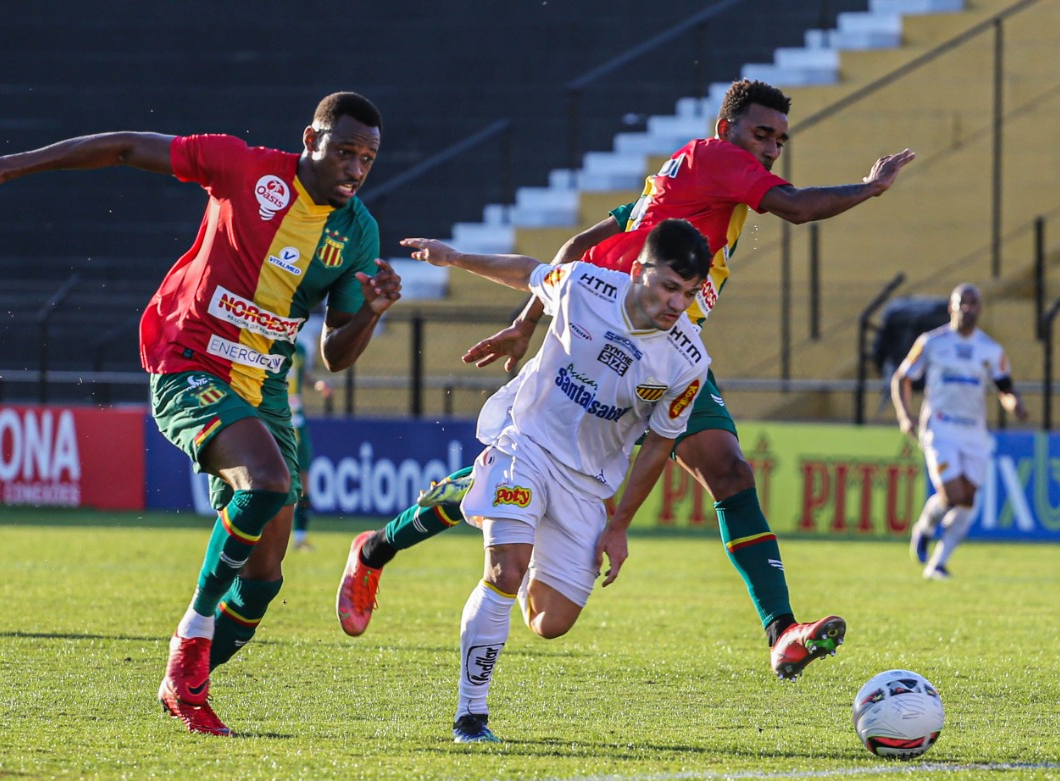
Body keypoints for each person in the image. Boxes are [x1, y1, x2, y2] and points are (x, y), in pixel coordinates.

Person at [338, 79, 914, 681]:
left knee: (729, 471)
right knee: (521, 469)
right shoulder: (716, 160)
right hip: (600, 338)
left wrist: (525, 322)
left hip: (666, 351)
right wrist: (871, 188)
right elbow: (794, 207)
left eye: (779, 141)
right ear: (727, 131)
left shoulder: (688, 184)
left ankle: (782, 632)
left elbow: (585, 241)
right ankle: (377, 548)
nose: (770, 150)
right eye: (760, 135)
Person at [0, 91, 402, 736]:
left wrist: (371, 313)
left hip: (265, 387)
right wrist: (8, 164)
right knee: (269, 485)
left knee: (267, 572)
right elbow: (127, 146)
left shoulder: (357, 232)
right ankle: (191, 636)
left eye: (368, 158)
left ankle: (186, 681)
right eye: (346, 152)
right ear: (311, 140)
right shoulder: (242, 169)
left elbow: (333, 353)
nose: (357, 168)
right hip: (189, 359)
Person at [402, 219, 714, 743]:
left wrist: (618, 525)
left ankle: (486, 500)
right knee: (504, 571)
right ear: (639, 271)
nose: (675, 303)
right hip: (526, 443)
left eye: (687, 293)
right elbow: (528, 272)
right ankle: (470, 716)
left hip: (586, 485)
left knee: (549, 623)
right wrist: (454, 258)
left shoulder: (688, 362)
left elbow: (659, 444)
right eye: (667, 286)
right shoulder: (585, 286)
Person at [891, 283, 1027, 580]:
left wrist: (1013, 404)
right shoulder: (931, 342)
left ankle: (937, 564)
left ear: (980, 309)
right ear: (951, 307)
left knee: (967, 500)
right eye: (962, 302)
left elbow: (1005, 387)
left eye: (974, 303)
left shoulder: (991, 350)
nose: (968, 308)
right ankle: (925, 528)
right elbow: (901, 377)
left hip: (974, 432)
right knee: (951, 492)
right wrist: (905, 415)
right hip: (940, 426)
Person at [288, 337, 333, 551]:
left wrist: (316, 383)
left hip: (297, 418)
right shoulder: (264, 337)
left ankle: (300, 537)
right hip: (271, 414)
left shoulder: (301, 348)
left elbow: (300, 374)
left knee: (304, 480)